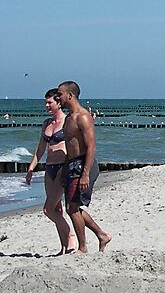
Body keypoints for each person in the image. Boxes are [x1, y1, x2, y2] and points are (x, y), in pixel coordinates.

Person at [56, 81, 112, 253]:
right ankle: (102, 235)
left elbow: (91, 146)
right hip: (72, 165)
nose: (58, 97)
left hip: (83, 165)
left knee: (72, 208)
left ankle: (83, 248)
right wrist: (65, 168)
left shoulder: (83, 117)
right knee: (73, 208)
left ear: (70, 95)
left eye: (60, 94)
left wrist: (85, 173)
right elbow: (70, 146)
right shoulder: (68, 119)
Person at [25, 88, 76, 254]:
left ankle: (70, 236)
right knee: (57, 210)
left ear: (58, 103)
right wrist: (31, 168)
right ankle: (63, 247)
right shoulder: (47, 123)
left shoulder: (67, 121)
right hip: (49, 168)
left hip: (62, 167)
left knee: (48, 209)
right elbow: (40, 149)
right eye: (45, 102)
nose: (46, 105)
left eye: (49, 102)